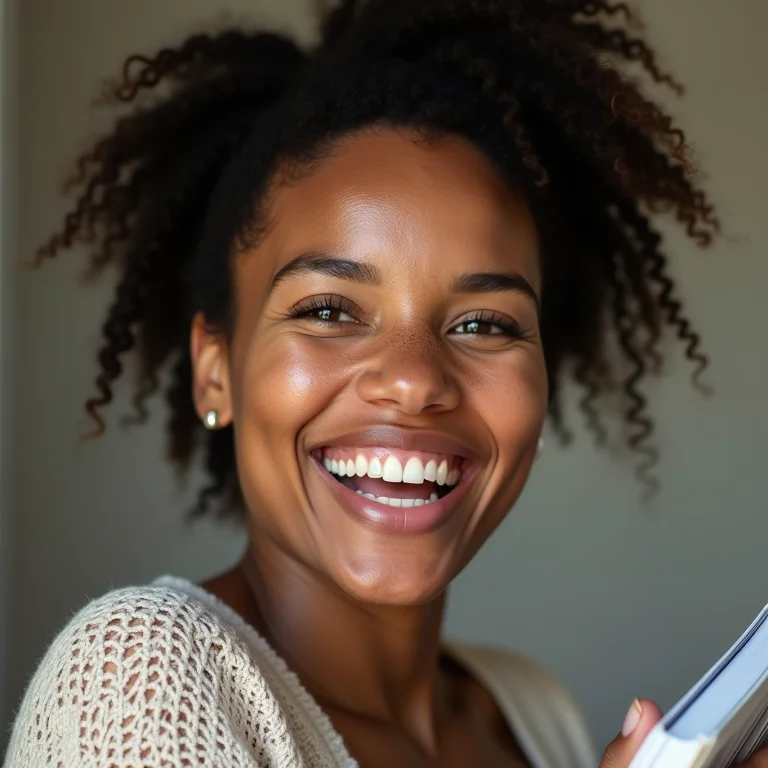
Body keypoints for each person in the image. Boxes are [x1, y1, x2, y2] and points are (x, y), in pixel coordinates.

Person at [5, 1, 764, 766]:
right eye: (329, 310)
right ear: (215, 372)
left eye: (484, 324)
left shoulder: (533, 713)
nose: (412, 380)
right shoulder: (139, 673)